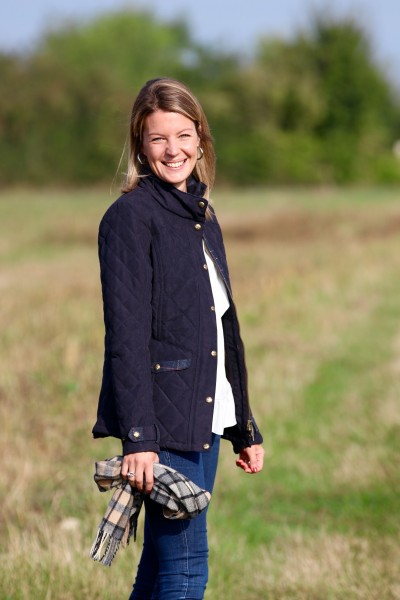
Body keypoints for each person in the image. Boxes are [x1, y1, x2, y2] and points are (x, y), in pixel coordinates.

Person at [92, 77, 264, 599]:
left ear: (201, 139)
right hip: (165, 425)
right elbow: (126, 338)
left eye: (184, 135)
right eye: (158, 138)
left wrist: (244, 425)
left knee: (160, 569)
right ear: (140, 147)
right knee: (186, 572)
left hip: (205, 415)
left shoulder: (201, 215)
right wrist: (139, 439)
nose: (174, 150)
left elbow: (219, 329)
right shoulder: (129, 218)